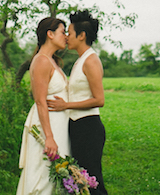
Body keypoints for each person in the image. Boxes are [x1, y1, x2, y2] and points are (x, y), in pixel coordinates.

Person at [49, 10, 108, 195]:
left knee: (92, 181)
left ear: (82, 35)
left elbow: (99, 100)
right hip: (78, 127)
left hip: (89, 127)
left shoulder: (91, 60)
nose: (66, 37)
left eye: (70, 32)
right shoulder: (80, 60)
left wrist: (65, 106)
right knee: (80, 182)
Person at [17, 17, 71, 195]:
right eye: (63, 32)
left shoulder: (52, 60)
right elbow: (40, 101)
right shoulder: (41, 61)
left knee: (53, 177)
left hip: (58, 126)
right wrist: (48, 137)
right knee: (41, 178)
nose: (66, 36)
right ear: (50, 34)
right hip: (46, 127)